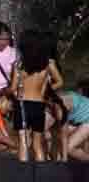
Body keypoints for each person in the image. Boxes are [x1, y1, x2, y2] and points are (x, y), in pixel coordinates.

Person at [10, 32, 62, 162]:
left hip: (22, 105)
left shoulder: (18, 65)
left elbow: (12, 89)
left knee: (23, 142)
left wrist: (14, 95)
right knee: (37, 144)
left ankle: (23, 176)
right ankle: (41, 176)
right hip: (39, 105)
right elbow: (60, 81)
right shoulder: (49, 63)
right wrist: (46, 92)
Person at [60, 82, 89, 161]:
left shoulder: (63, 101)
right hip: (82, 120)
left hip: (86, 120)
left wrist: (64, 160)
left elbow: (63, 134)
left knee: (68, 147)